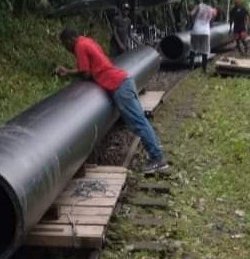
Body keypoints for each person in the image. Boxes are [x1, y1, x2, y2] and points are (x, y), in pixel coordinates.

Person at [58, 28, 170, 175]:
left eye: (65, 45)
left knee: (138, 123)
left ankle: (157, 159)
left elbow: (85, 72)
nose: (67, 49)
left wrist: (67, 72)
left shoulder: (79, 46)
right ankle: (156, 151)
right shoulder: (87, 41)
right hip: (122, 81)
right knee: (140, 121)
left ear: (69, 40)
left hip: (119, 86)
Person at [190, 0, 218, 69]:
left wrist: (194, 19)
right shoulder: (212, 10)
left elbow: (191, 14)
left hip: (196, 30)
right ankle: (204, 68)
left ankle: (191, 66)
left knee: (193, 48)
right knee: (205, 50)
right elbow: (212, 22)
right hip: (205, 32)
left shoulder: (199, 6)